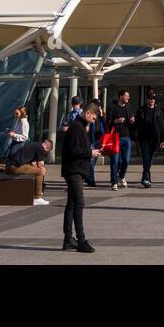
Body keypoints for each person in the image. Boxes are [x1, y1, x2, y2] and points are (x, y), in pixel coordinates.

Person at [62, 103, 102, 252]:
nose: (93, 120)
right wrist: (90, 153)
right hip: (74, 170)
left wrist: (90, 151)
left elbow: (77, 148)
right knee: (79, 203)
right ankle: (81, 239)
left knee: (72, 204)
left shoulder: (78, 127)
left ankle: (68, 239)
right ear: (87, 113)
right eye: (93, 117)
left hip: (75, 169)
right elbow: (74, 150)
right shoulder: (77, 128)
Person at [134, 90, 164, 188]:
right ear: (147, 99)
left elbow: (162, 126)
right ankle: (146, 179)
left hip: (155, 138)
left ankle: (145, 177)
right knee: (146, 158)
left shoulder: (159, 110)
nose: (152, 100)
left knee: (150, 159)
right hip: (144, 138)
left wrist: (163, 139)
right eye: (150, 98)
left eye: (154, 99)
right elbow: (136, 124)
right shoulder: (141, 110)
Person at [8, 137, 53, 204]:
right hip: (16, 167)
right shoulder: (40, 148)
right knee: (40, 172)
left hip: (12, 166)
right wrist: (43, 169)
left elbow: (33, 163)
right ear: (47, 147)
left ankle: (33, 193)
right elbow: (40, 165)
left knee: (37, 170)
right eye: (47, 151)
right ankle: (38, 197)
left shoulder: (34, 145)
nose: (45, 153)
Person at [106, 90, 135, 191]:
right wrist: (116, 121)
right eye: (126, 96)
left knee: (126, 161)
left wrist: (132, 119)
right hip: (115, 137)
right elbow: (107, 122)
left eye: (128, 96)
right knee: (115, 161)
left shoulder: (128, 107)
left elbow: (131, 118)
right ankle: (114, 182)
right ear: (120, 96)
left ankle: (121, 176)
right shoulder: (112, 107)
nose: (128, 98)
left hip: (126, 137)